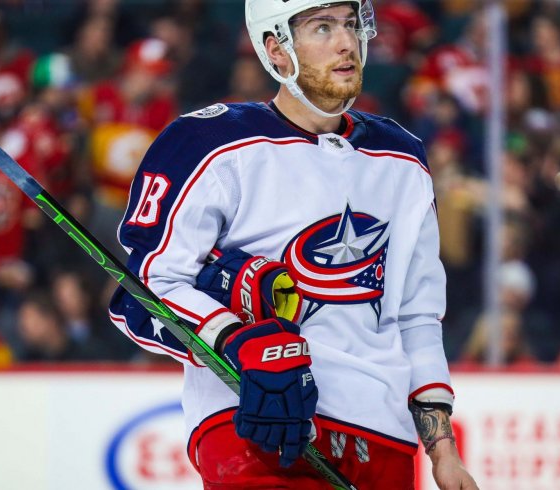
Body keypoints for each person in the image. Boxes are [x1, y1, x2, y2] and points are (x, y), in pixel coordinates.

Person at [108, 1, 478, 489]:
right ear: (276, 49)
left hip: (382, 439)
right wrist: (234, 340)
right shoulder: (209, 144)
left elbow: (417, 316)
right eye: (322, 28)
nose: (347, 43)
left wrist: (443, 451)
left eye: (350, 25)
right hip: (256, 427)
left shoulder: (402, 158)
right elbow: (145, 290)